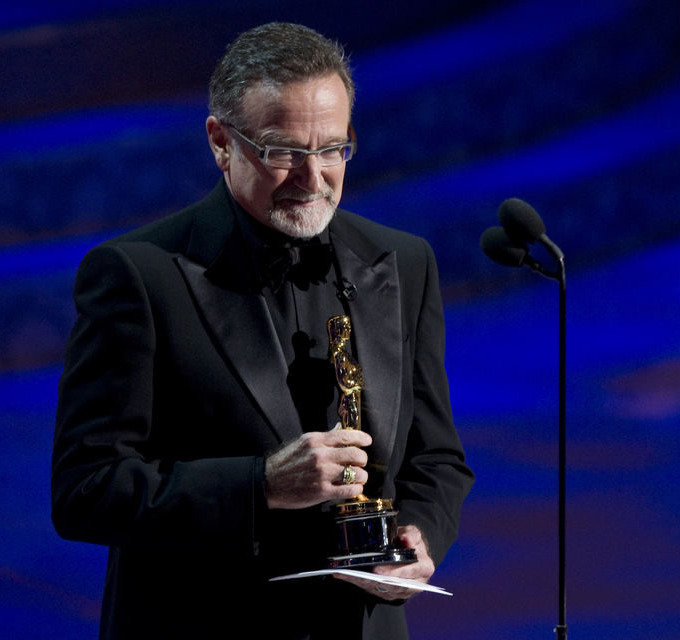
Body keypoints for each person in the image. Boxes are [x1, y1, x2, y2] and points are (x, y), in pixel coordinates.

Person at [51, 22, 473, 639]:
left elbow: (436, 456)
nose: (313, 177)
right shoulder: (138, 275)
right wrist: (261, 485)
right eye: (284, 152)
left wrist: (419, 533)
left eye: (333, 149)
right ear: (221, 142)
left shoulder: (404, 264)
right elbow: (86, 490)